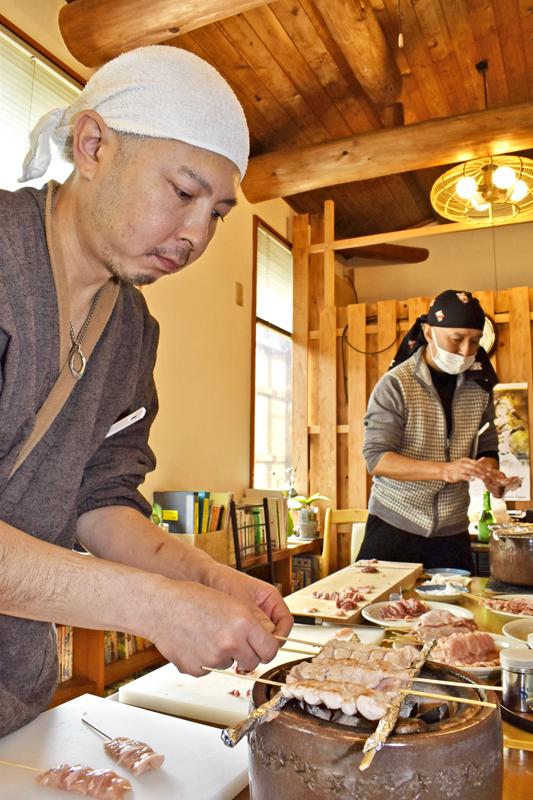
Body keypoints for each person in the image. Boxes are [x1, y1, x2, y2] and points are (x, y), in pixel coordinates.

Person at [0, 45, 292, 738]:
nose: (196, 236)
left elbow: (101, 497)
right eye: (184, 193)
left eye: (217, 213)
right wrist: (154, 607)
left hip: (13, 699)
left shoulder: (131, 328)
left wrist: (204, 579)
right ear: (93, 145)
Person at [358, 289, 519, 571]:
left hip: (452, 532)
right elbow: (377, 459)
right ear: (429, 332)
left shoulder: (479, 386)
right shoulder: (396, 384)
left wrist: (490, 473)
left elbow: (487, 445)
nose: (466, 351)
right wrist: (444, 470)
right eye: (456, 339)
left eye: (474, 341)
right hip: (394, 525)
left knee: (459, 602)